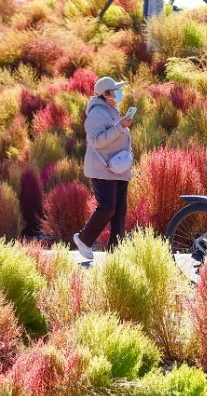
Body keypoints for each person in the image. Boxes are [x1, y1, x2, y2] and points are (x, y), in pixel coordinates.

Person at [73, 76, 134, 260]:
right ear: (106, 94)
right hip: (102, 169)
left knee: (119, 211)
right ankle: (83, 239)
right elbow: (97, 141)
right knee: (107, 208)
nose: (118, 92)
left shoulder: (113, 109)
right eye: (115, 90)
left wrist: (121, 125)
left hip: (118, 168)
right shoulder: (97, 112)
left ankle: (116, 253)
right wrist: (120, 126)